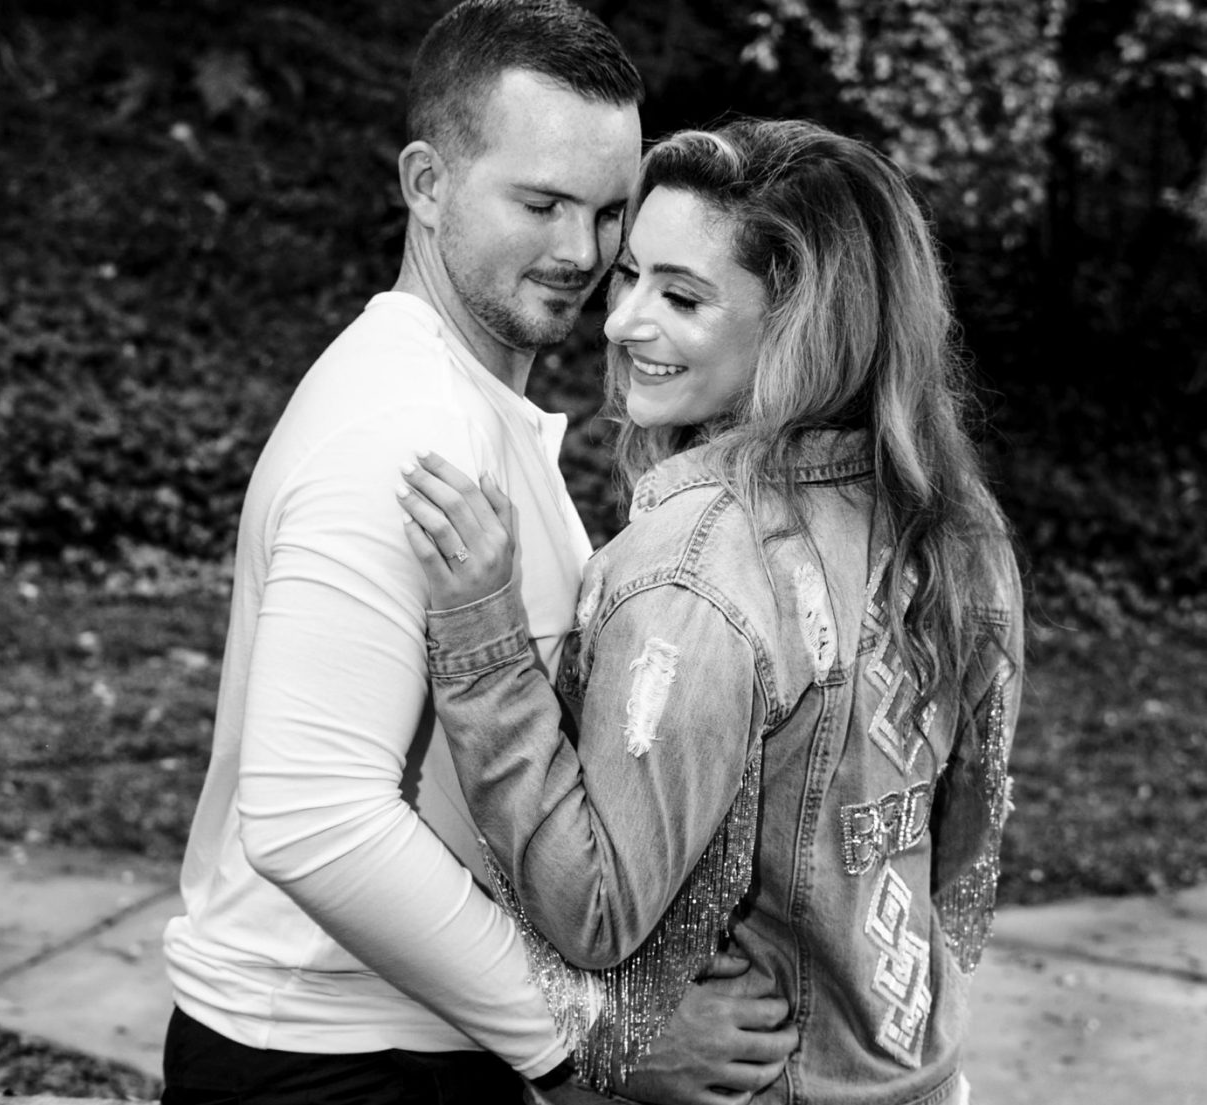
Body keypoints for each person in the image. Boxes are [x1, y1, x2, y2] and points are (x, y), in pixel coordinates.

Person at [160, 5, 799, 1103]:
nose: (581, 254)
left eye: (607, 213)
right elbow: (314, 818)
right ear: (426, 182)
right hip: (328, 1063)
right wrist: (594, 1034)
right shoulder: (402, 429)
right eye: (540, 202)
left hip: (407, 1048)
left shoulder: (469, 409)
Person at [397, 118, 1026, 1103]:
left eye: (681, 296)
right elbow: (956, 850)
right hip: (922, 1075)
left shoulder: (696, 576)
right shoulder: (959, 530)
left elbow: (592, 906)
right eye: (630, 275)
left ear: (800, 328)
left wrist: (483, 644)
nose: (620, 321)